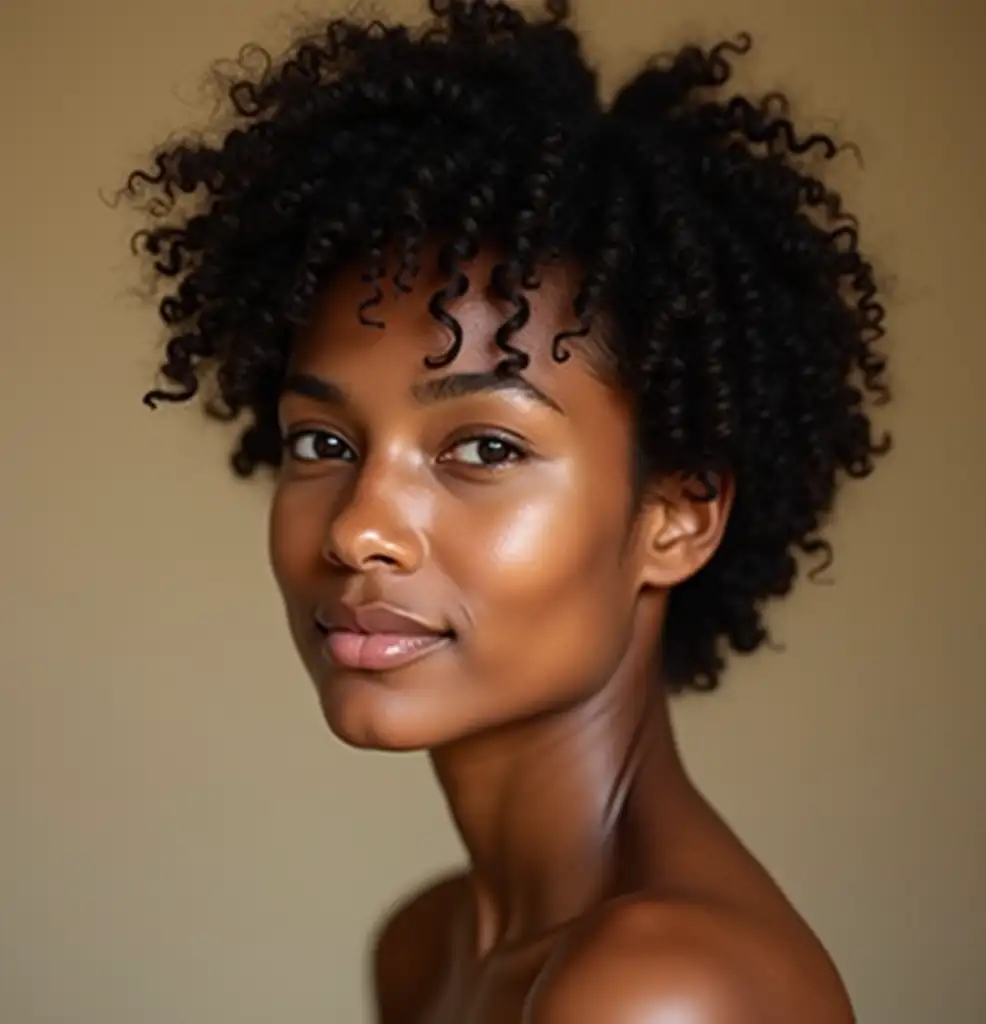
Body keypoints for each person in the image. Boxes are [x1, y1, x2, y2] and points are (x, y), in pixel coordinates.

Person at [123, 0, 890, 1019]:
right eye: (324, 443)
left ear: (677, 517)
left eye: (484, 447)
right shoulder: (427, 944)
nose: (359, 527)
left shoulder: (659, 989)